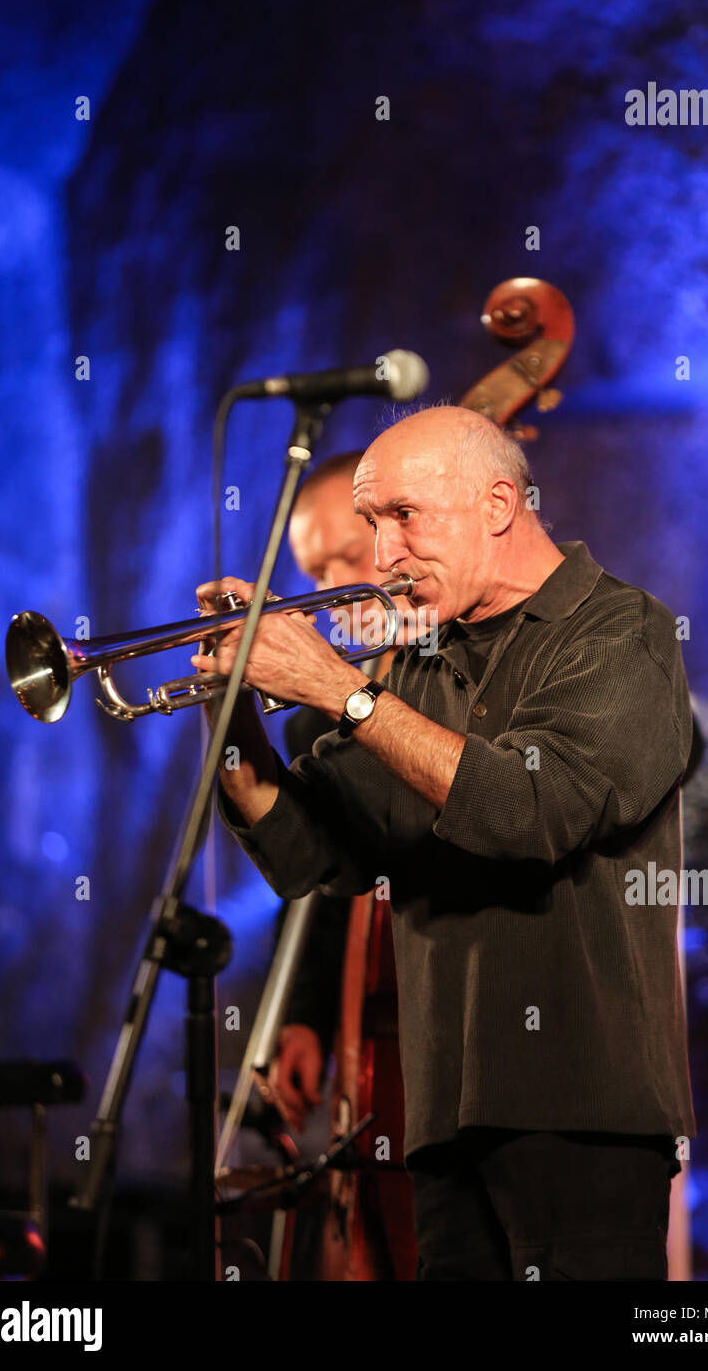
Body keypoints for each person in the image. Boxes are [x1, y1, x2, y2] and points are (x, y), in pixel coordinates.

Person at [196, 404, 696, 1281]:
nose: (383, 556)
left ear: (499, 503)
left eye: (402, 517)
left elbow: (530, 809)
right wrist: (231, 707)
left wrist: (340, 688)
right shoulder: (419, 671)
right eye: (371, 524)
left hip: (583, 1118)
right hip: (439, 1125)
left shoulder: (625, 633)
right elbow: (307, 850)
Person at [265, 450, 402, 1133]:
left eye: (351, 558)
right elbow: (324, 884)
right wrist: (300, 1012)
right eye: (318, 572)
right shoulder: (311, 726)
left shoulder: (476, 664)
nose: (336, 590)